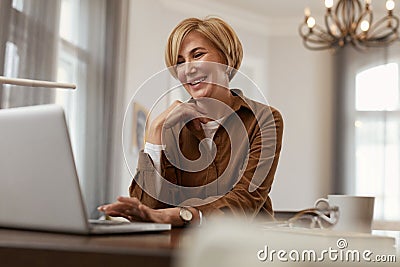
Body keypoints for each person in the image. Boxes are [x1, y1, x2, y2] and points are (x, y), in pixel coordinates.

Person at [98, 17, 284, 227]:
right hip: (180, 246)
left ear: (226, 59)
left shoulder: (265, 119)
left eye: (197, 55)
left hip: (246, 245)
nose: (188, 69)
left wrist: (177, 215)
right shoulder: (171, 127)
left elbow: (246, 201)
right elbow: (147, 207)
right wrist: (154, 135)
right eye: (179, 62)